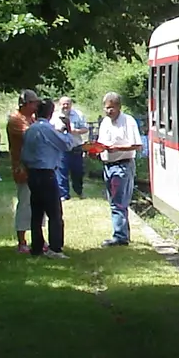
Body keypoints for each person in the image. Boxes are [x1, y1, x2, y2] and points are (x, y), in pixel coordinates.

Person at [22, 98, 72, 259]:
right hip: (46, 173)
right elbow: (66, 145)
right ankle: (55, 248)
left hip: (32, 172)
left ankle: (36, 247)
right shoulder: (47, 129)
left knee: (36, 212)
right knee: (55, 213)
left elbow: (24, 153)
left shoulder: (30, 130)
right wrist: (68, 130)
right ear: (50, 113)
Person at [93, 92, 144, 246]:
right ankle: (123, 234)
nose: (108, 111)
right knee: (114, 201)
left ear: (119, 107)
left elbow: (138, 145)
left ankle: (120, 237)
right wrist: (94, 150)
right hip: (108, 165)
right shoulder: (105, 123)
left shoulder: (128, 121)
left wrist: (117, 148)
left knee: (118, 202)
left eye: (112, 108)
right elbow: (101, 143)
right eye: (106, 108)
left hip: (122, 164)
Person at [6, 90, 39, 252]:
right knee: (25, 204)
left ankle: (38, 239)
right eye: (34, 102)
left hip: (36, 167)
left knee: (38, 204)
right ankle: (22, 242)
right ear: (25, 103)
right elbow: (32, 135)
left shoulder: (31, 119)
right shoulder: (16, 120)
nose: (37, 105)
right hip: (22, 168)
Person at [54, 96, 90, 200]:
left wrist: (75, 131)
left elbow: (85, 129)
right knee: (61, 172)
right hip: (61, 148)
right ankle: (64, 194)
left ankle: (79, 191)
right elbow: (50, 129)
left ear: (71, 104)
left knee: (77, 172)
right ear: (59, 105)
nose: (65, 106)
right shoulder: (54, 116)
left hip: (76, 147)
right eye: (63, 104)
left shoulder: (78, 114)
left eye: (67, 104)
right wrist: (58, 130)